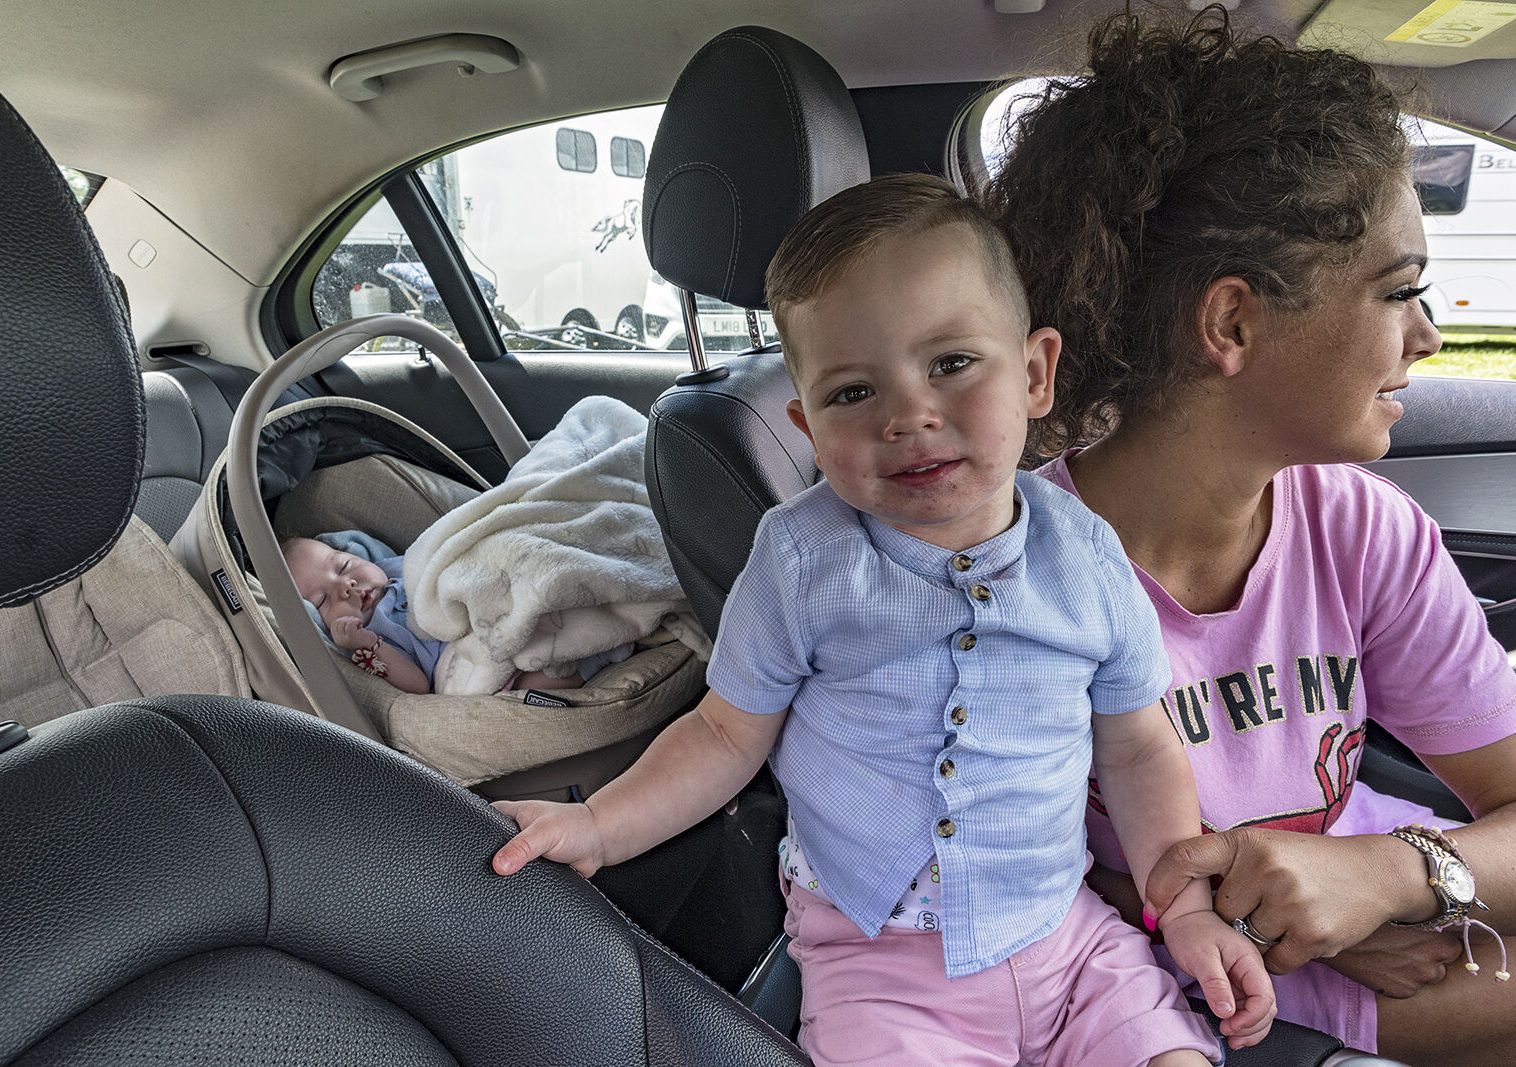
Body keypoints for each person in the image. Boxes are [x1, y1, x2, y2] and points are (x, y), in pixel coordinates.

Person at [491, 173, 1274, 1066]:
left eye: (951, 364)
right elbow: (722, 733)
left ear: (1035, 373)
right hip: (879, 962)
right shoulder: (801, 560)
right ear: (807, 426)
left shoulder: (1087, 557)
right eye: (853, 393)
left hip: (1066, 940)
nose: (908, 415)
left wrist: (1186, 907)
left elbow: (1136, 747)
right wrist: (600, 825)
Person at [984, 8, 1516, 1065]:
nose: (1427, 336)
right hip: (1205, 987)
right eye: (1398, 291)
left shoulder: (1358, 527)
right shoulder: (1015, 581)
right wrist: (1276, 924)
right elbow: (992, 879)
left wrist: (1394, 875)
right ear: (1233, 323)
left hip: (1378, 901)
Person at [283, 535, 584, 695]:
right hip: (466, 659)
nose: (345, 587)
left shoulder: (399, 568)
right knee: (542, 680)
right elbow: (417, 685)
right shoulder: (370, 640)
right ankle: (589, 653)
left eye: (344, 566)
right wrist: (368, 644)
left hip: (487, 606)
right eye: (322, 600)